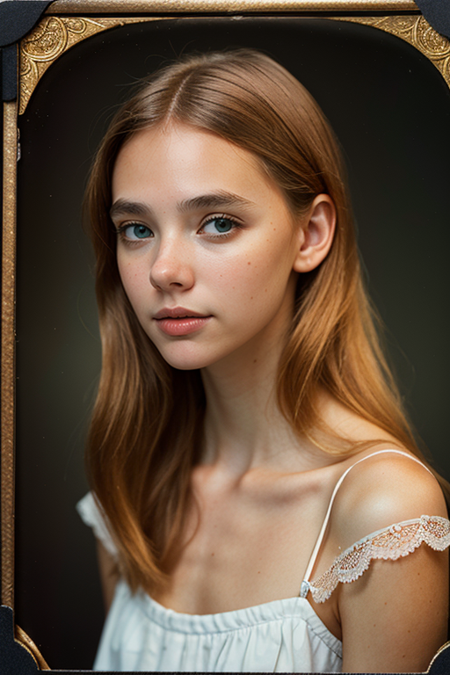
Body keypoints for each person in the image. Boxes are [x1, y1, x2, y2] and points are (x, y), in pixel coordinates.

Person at [77, 49, 450, 673]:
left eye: (217, 222)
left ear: (311, 235)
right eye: (136, 229)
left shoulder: (383, 513)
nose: (164, 270)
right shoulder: (135, 489)